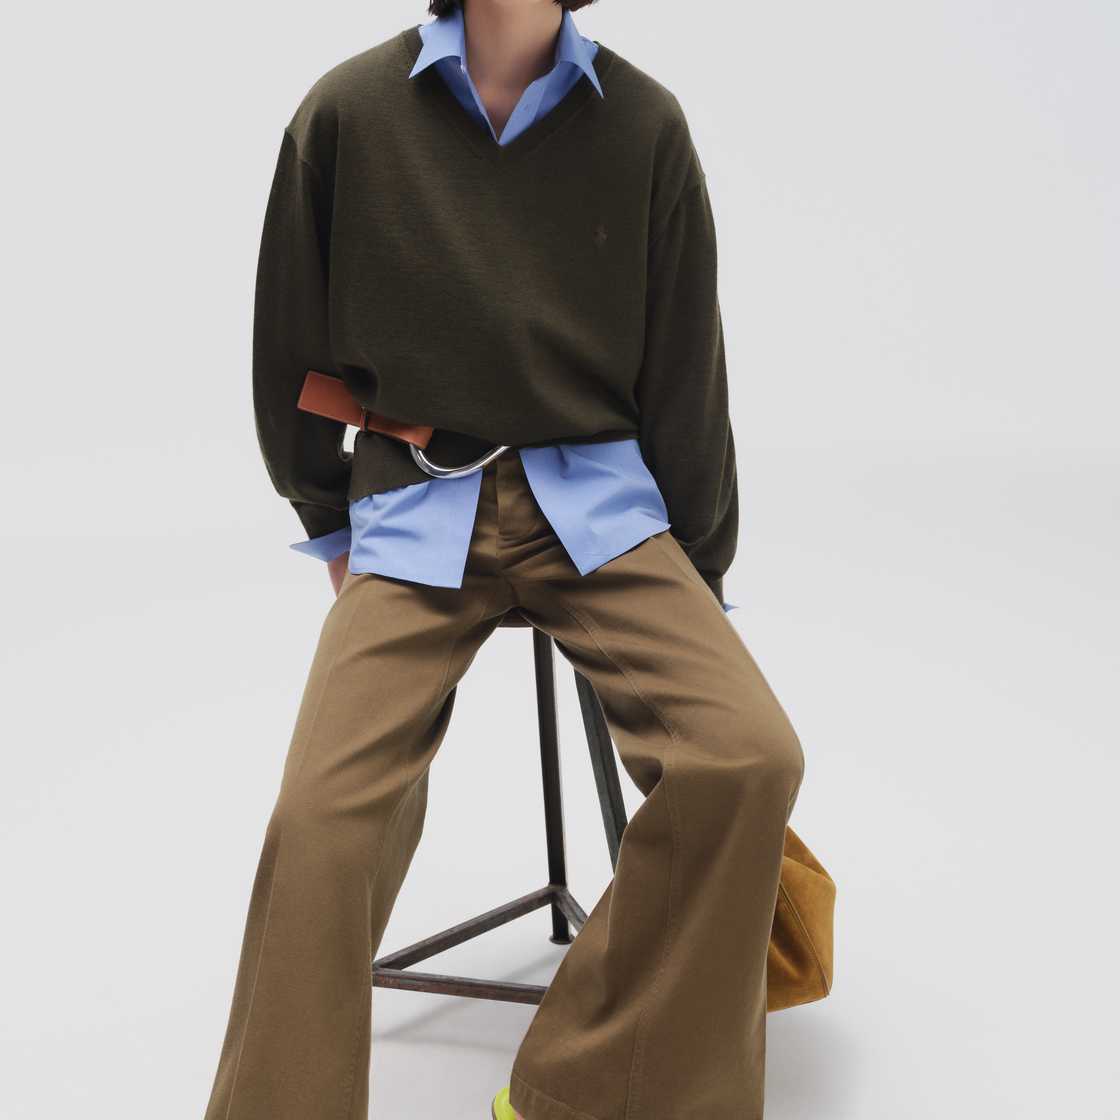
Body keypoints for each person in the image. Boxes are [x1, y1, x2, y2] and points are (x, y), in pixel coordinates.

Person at [203, 2, 806, 1118]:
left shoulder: (645, 125)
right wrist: (325, 515)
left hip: (601, 513)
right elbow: (287, 344)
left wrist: (701, 570)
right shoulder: (348, 113)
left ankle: (576, 1091)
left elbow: (687, 375)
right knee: (318, 820)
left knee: (748, 756)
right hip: (416, 505)